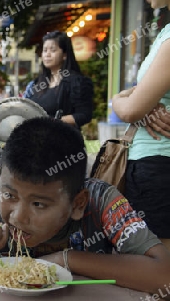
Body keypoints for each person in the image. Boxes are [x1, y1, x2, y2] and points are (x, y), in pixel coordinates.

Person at [0, 117, 170, 295]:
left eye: (39, 204)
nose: (18, 217)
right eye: (9, 195)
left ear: (77, 204)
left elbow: (163, 275)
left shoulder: (100, 202)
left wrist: (67, 260)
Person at [112, 0, 170, 251]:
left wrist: (118, 99)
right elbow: (138, 99)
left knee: (156, 262)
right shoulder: (165, 32)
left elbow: (132, 109)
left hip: (157, 163)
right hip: (155, 162)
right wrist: (140, 102)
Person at [23, 31, 93, 127]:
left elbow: (84, 115)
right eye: (45, 50)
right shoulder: (35, 84)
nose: (47, 54)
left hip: (62, 138)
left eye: (53, 50)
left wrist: (51, 121)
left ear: (64, 55)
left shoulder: (77, 82)